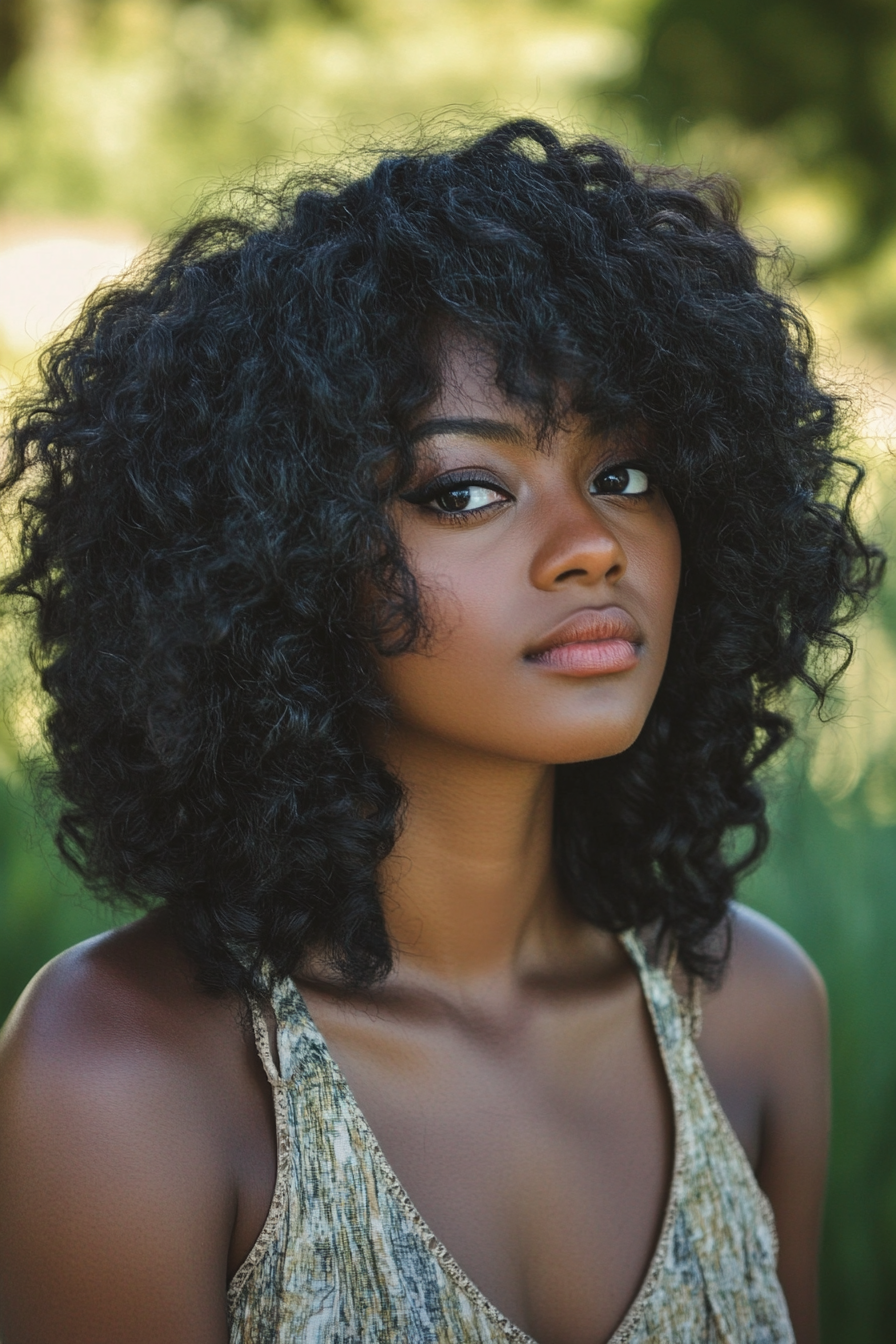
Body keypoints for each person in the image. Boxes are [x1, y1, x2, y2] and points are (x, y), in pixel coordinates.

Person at [0, 119, 882, 1344]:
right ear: (279, 557)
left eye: (625, 474)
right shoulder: (124, 1073)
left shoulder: (751, 1005)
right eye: (463, 491)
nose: (590, 544)